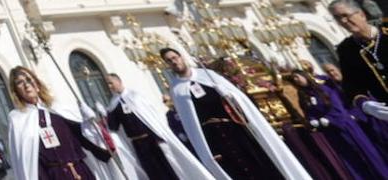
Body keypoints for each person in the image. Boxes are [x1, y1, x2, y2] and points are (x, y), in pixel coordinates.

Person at [159, 46, 311, 180]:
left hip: (234, 128)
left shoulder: (208, 75)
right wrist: (209, 148)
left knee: (257, 163)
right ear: (167, 65)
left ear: (181, 57)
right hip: (214, 137)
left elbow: (237, 97)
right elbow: (191, 124)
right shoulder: (177, 89)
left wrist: (226, 94)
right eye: (169, 60)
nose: (174, 62)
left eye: (175, 57)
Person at [5, 66, 112, 180]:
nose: (26, 85)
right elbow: (27, 160)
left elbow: (83, 138)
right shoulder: (18, 119)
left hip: (80, 172)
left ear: (37, 84)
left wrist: (88, 123)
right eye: (20, 83)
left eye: (28, 79)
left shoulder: (58, 110)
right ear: (16, 91)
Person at [103, 73, 209, 180]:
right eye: (107, 84)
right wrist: (108, 113)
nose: (109, 86)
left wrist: (157, 136)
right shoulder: (114, 104)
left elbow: (150, 117)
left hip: (151, 139)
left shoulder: (135, 96)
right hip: (137, 144)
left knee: (166, 168)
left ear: (119, 81)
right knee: (151, 172)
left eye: (111, 83)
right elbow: (114, 127)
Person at [289, 68, 388, 179]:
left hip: (346, 126)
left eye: (297, 76)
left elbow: (337, 108)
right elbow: (308, 112)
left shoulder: (323, 89)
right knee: (351, 160)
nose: (296, 80)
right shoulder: (303, 97)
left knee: (368, 153)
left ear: (305, 76)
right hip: (332, 132)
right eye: (294, 79)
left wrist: (328, 119)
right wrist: (312, 120)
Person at [329, 0, 388, 123]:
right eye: (338, 18)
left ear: (361, 14)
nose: (343, 21)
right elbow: (351, 84)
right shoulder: (346, 49)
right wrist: (364, 104)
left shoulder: (385, 32)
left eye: (345, 15)